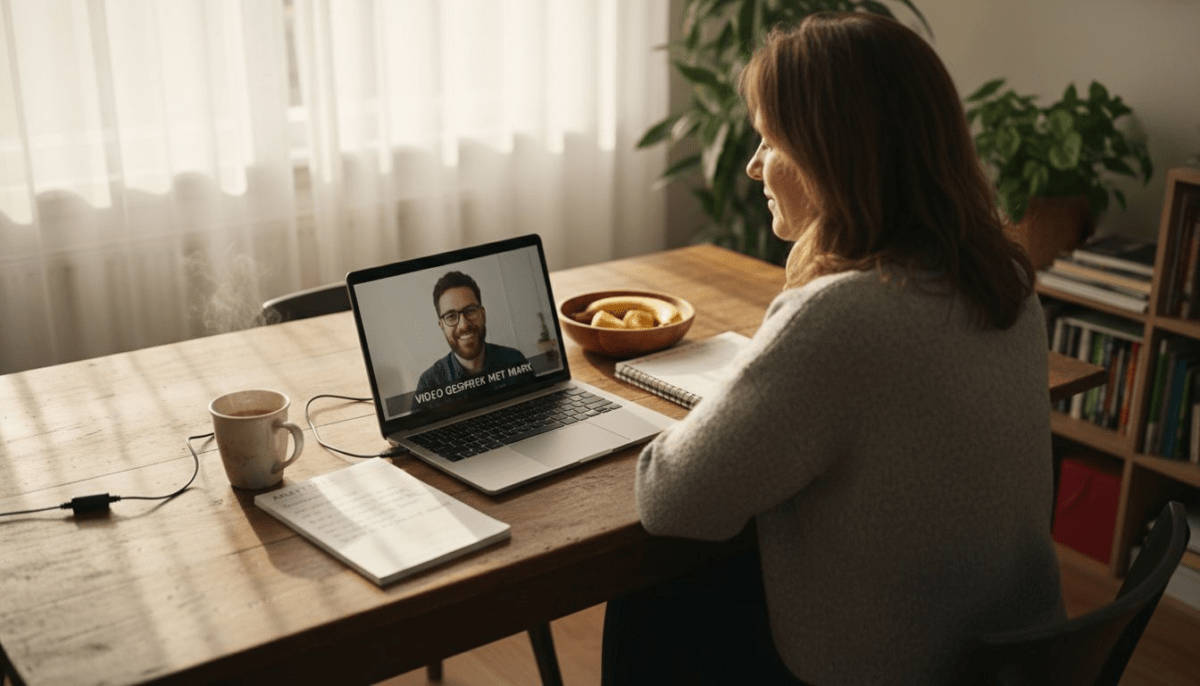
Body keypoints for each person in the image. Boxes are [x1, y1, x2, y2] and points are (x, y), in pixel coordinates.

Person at [601, 12, 1065, 686]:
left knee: (651, 592)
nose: (755, 166)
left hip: (893, 670)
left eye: (770, 140)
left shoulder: (841, 315)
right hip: (1012, 664)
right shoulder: (1007, 284)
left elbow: (669, 499)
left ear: (834, 155)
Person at [414, 271, 531, 404]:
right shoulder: (429, 384)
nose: (463, 325)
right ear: (442, 326)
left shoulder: (515, 360)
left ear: (483, 314)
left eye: (470, 310)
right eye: (451, 316)